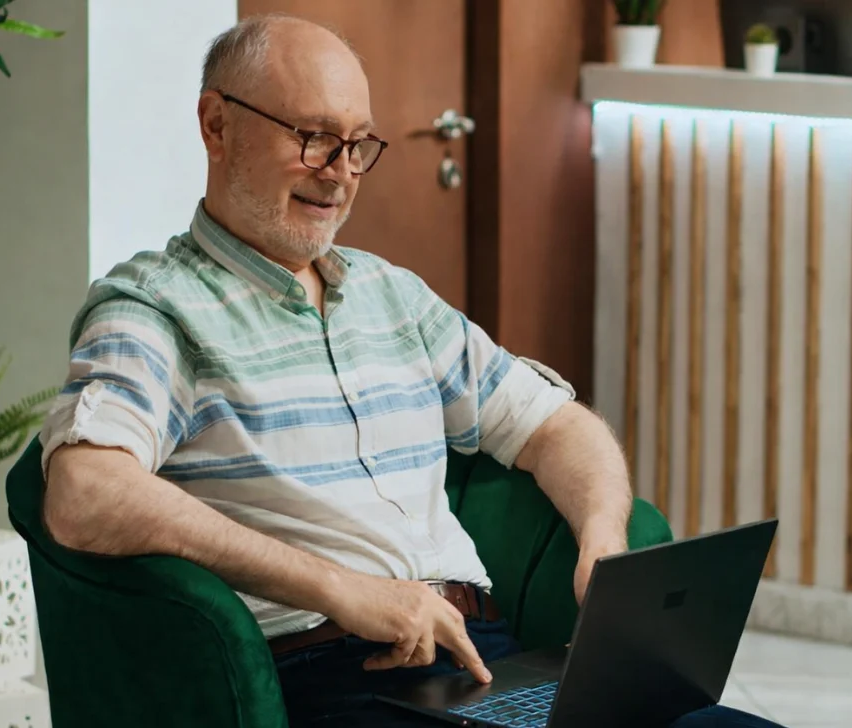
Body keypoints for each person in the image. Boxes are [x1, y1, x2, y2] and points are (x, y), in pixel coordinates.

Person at [39, 14, 786, 728]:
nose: (340, 175)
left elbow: (555, 425)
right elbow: (84, 491)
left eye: (358, 144)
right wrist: (345, 590)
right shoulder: (155, 308)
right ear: (217, 124)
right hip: (332, 679)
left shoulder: (390, 293)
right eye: (313, 139)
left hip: (487, 665)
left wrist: (602, 542)